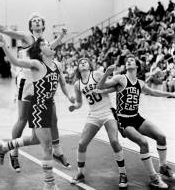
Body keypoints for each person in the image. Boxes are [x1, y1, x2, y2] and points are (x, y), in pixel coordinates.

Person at [0, 14, 70, 172]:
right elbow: (7, 30)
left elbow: (52, 47)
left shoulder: (45, 42)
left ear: (43, 25)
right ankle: (13, 153)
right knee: (22, 119)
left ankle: (58, 151)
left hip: (41, 80)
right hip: (27, 81)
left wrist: (61, 36)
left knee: (53, 117)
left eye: (39, 20)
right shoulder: (27, 36)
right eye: (33, 20)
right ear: (31, 25)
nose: (36, 21)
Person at [0, 35, 72, 190]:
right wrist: (4, 46)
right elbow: (17, 62)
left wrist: (71, 98)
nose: (49, 44)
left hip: (48, 105)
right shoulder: (37, 63)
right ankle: (49, 184)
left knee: (35, 140)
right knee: (47, 145)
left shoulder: (57, 64)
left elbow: (63, 83)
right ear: (40, 51)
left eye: (48, 42)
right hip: (38, 107)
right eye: (44, 44)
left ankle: (3, 148)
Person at [98, 54, 175, 189]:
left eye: (132, 60)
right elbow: (101, 86)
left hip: (136, 117)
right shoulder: (120, 78)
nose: (128, 61)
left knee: (161, 137)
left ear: (137, 65)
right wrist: (107, 73)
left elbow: (153, 92)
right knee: (143, 142)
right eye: (127, 61)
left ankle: (162, 167)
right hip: (123, 120)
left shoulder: (140, 82)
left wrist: (171, 94)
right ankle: (153, 177)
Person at [69, 58, 128, 188]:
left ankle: (123, 174)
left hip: (107, 111)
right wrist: (75, 106)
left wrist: (102, 90)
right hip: (93, 115)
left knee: (114, 141)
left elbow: (116, 87)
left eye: (85, 62)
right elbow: (79, 102)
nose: (83, 63)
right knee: (81, 143)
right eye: (80, 62)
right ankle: (80, 173)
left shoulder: (96, 75)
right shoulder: (77, 84)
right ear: (78, 68)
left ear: (90, 66)